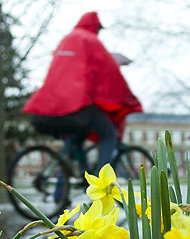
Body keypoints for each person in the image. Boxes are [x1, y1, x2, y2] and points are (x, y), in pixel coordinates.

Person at [22, 11, 143, 174]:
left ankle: (61, 194)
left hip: (48, 107)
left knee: (74, 142)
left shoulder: (66, 40)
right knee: (108, 135)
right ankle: (101, 186)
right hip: (76, 105)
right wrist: (129, 99)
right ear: (95, 27)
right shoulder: (90, 40)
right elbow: (110, 72)